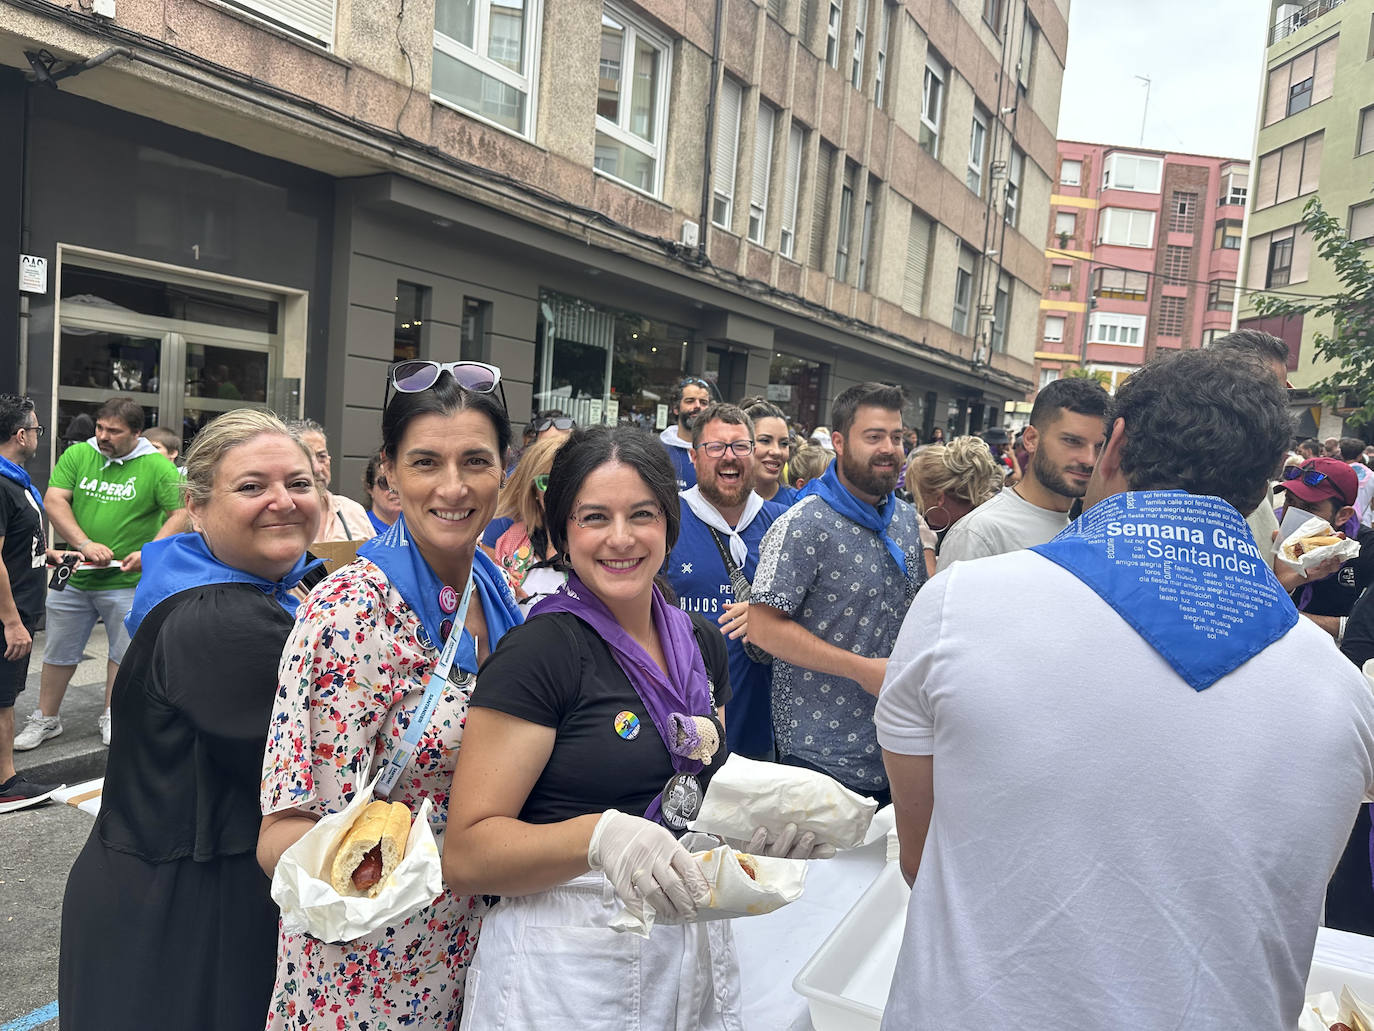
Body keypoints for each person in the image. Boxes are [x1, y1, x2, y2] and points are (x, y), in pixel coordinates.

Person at [876, 347, 1374, 1029]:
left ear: (1114, 446)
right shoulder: (1341, 692)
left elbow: (921, 856)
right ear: (1263, 488)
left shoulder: (959, 605)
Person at [444, 425, 770, 1030]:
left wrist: (762, 822)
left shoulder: (701, 644)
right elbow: (466, 856)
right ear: (564, 531)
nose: (621, 538)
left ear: (669, 524)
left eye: (642, 514)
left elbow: (701, 788)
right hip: (566, 974)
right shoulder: (541, 652)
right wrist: (596, 837)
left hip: (682, 953)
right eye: (595, 517)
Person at [257, 361, 523, 1029]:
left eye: (476, 461)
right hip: (370, 973)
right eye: (426, 462)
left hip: (484, 951)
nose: (453, 487)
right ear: (390, 473)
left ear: (504, 469)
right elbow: (287, 830)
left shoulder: (496, 587)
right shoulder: (351, 610)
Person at [59, 410, 322, 1030]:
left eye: (299, 483)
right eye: (252, 486)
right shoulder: (222, 616)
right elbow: (326, 773)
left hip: (174, 889)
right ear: (196, 507)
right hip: (185, 913)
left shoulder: (242, 583)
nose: (283, 501)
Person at [749, 383, 926, 804]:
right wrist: (861, 670)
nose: (889, 449)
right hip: (818, 756)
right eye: (874, 436)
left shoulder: (905, 519)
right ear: (840, 443)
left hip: (896, 747)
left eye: (897, 437)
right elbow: (762, 628)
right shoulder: (803, 523)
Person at [16, 396, 185, 751]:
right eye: (100, 427)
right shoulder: (80, 454)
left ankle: (112, 714)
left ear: (136, 433)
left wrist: (150, 552)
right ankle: (46, 718)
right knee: (58, 650)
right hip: (75, 575)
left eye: (114, 431)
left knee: (122, 653)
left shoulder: (157, 467)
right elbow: (55, 500)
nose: (104, 436)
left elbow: (181, 513)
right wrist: (84, 542)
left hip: (126, 581)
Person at [668, 402, 787, 759]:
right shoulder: (666, 520)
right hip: (685, 730)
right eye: (716, 447)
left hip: (764, 734)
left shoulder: (785, 524)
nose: (729, 456)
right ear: (693, 456)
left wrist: (771, 621)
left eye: (740, 446)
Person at [937, 378, 1110, 571]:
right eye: (1072, 441)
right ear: (1031, 439)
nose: (1089, 459)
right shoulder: (980, 533)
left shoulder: (1082, 533)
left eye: (1099, 446)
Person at [0, 396, 77, 811]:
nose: (37, 436)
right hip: (8, 614)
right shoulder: (2, 484)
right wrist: (12, 622)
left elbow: (14, 542)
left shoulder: (15, 482)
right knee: (3, 699)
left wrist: (49, 555)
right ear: (21, 435)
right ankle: (5, 783)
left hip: (20, 607)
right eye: (36, 429)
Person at [1211, 328, 1294, 565]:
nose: (1276, 412)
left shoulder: (1259, 483)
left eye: (1281, 398)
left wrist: (1285, 579)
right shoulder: (1182, 482)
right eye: (1263, 397)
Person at [1276, 457, 1374, 641]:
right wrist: (1296, 577)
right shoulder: (1274, 530)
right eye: (1290, 501)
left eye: (1309, 507)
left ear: (1342, 515)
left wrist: (1291, 617)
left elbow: (1365, 627)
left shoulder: (1367, 549)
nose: (1292, 514)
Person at [905, 437, 1004, 578]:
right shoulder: (989, 513)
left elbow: (941, 588)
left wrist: (927, 548)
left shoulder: (965, 534)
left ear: (939, 498)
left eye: (918, 496)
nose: (920, 507)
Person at [491, 433, 569, 610]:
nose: (555, 491)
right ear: (533, 490)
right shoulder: (511, 540)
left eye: (564, 481)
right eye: (546, 481)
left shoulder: (593, 542)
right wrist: (501, 587)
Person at [287, 418, 375, 543]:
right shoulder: (281, 518)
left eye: (322, 456)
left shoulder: (353, 512)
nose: (317, 468)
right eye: (306, 458)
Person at [740, 396, 797, 505]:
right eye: (765, 441)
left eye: (784, 443)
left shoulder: (799, 504)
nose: (776, 452)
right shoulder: (718, 500)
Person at [659, 377, 712, 491]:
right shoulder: (658, 450)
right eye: (690, 401)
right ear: (676, 408)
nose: (697, 406)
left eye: (703, 403)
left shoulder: (720, 450)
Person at [362, 451, 401, 533]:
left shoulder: (420, 529)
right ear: (369, 488)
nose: (395, 489)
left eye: (401, 482)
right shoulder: (360, 529)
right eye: (385, 483)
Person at [1339, 437, 1374, 527]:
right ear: (1360, 456)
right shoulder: (1372, 475)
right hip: (1364, 522)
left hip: (1339, 521)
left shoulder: (1336, 473)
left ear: (1341, 455)